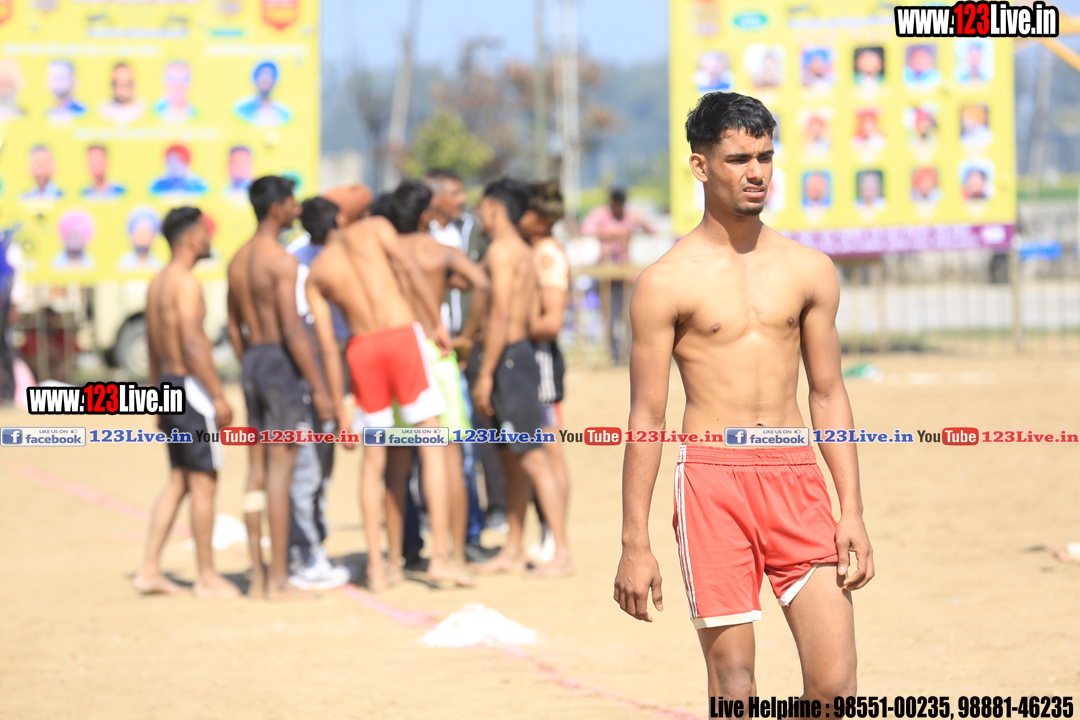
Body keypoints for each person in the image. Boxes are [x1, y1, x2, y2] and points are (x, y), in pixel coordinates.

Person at [613, 91, 874, 703]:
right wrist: (634, 542)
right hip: (712, 482)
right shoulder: (664, 282)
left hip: (796, 474)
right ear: (701, 165)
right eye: (738, 159)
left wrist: (852, 509)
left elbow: (828, 393)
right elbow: (647, 415)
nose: (756, 173)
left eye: (765, 157)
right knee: (734, 685)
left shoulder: (809, 269)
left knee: (836, 686)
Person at [304, 186, 473, 592]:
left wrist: (341, 406)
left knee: (373, 462)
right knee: (432, 446)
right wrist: (436, 322)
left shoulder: (317, 272)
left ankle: (378, 569)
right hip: (400, 338)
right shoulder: (376, 228)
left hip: (362, 349)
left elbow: (327, 344)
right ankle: (440, 558)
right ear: (340, 218)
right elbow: (409, 270)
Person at [375, 181, 490, 581]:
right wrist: (466, 337)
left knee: (397, 460)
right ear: (426, 214)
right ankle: (453, 556)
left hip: (397, 349)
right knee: (450, 458)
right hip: (435, 352)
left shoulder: (385, 254)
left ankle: (393, 561)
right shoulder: (440, 251)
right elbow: (482, 283)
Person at [226, 175, 334, 600]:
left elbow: (232, 326)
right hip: (279, 363)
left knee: (256, 470)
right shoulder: (281, 262)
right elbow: (292, 328)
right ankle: (279, 578)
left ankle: (257, 576)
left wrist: (250, 364)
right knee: (281, 471)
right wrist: (319, 387)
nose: (296, 210)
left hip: (253, 360)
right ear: (276, 209)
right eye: (291, 203)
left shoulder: (237, 260)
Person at [134, 206, 240, 599]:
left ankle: (149, 569)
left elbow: (152, 347)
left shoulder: (157, 283)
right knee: (204, 481)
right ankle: (206, 576)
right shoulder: (187, 284)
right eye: (206, 233)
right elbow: (194, 344)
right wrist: (218, 395)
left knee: (179, 479)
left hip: (167, 384)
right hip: (191, 389)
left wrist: (155, 397)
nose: (210, 240)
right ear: (192, 238)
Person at [471, 178, 573, 577]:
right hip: (515, 359)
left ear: (496, 208)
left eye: (482, 207)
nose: (478, 214)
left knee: (533, 457)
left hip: (510, 361)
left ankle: (561, 550)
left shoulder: (503, 250)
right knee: (513, 462)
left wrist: (485, 374)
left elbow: (501, 314)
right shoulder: (524, 251)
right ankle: (513, 548)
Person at [284, 189, 371, 590]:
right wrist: (324, 392)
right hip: (314, 373)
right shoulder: (299, 262)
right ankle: (304, 554)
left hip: (338, 366)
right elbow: (308, 334)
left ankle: (313, 546)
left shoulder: (338, 254)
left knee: (323, 465)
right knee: (308, 469)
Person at [519, 180, 572, 565]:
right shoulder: (536, 250)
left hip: (541, 360)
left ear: (539, 218)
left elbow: (551, 321)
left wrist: (511, 329)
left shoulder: (547, 254)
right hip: (529, 358)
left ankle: (556, 537)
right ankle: (546, 532)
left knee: (550, 449)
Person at [580, 187, 654, 364]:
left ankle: (628, 354)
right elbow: (585, 230)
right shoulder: (600, 214)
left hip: (626, 274)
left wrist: (638, 227)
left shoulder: (631, 215)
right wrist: (611, 234)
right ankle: (614, 355)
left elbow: (652, 229)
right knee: (610, 317)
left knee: (630, 317)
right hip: (607, 275)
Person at [235, 61, 292, 126]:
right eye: (262, 75)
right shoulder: (242, 109)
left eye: (269, 75)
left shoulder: (284, 113)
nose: (265, 78)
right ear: (255, 80)